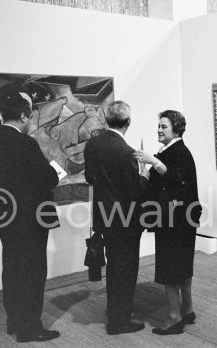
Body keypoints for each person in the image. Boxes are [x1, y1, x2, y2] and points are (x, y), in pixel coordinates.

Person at [0, 90, 61, 343]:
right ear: (23, 116)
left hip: (5, 217)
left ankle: (14, 321)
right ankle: (30, 329)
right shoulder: (27, 143)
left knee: (13, 268)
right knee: (33, 272)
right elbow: (47, 177)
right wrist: (54, 172)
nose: (31, 123)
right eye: (30, 117)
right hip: (31, 219)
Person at [84, 101, 149, 335]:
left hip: (104, 217)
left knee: (113, 267)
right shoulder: (126, 152)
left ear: (106, 119)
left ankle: (114, 312)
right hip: (125, 220)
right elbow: (136, 191)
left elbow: (90, 178)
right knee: (126, 269)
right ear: (128, 123)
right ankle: (120, 320)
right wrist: (144, 175)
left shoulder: (92, 144)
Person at [134, 110, 201, 336]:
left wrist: (152, 161)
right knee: (181, 264)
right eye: (159, 126)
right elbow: (161, 180)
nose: (159, 130)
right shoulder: (173, 151)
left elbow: (174, 178)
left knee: (171, 266)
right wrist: (146, 171)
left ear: (176, 129)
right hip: (181, 218)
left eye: (164, 126)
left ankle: (174, 317)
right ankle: (187, 309)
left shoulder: (179, 152)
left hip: (175, 220)